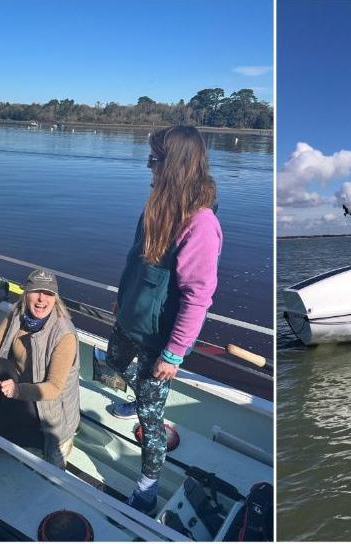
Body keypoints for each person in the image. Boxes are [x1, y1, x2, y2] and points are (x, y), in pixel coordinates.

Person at [98, 125, 222, 515]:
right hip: (128, 320)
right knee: (111, 366)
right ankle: (134, 399)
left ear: (175, 166)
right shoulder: (154, 204)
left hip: (158, 341)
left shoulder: (200, 224)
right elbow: (133, 259)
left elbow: (198, 296)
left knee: (152, 425)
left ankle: (147, 488)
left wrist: (173, 354)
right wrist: (121, 300)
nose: (148, 166)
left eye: (154, 160)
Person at [0, 269, 80, 471]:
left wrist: (17, 391)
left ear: (55, 298)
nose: (42, 299)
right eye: (36, 292)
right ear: (26, 293)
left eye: (48, 293)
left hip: (46, 402)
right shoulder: (17, 314)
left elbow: (55, 387)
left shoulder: (63, 334)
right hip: (14, 386)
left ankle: (59, 441)